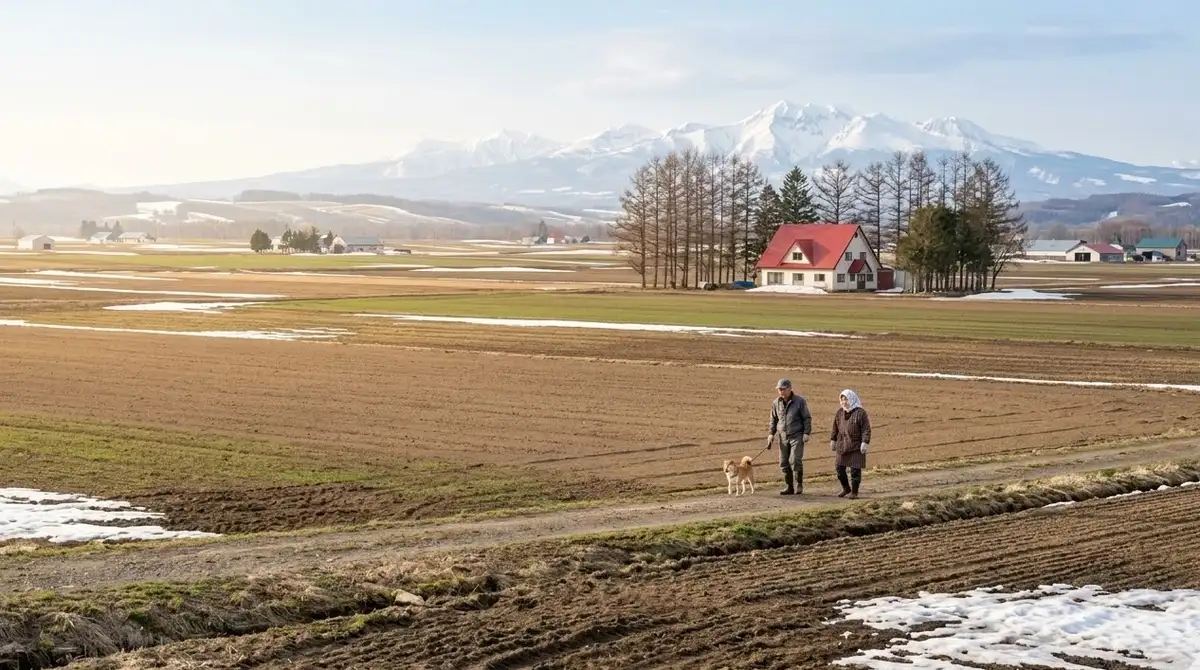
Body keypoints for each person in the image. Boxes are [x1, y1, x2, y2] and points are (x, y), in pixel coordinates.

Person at [766, 378, 811, 495]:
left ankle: (799, 484)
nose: (780, 391)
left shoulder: (800, 401)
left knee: (795, 460)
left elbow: (806, 418)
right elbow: (773, 419)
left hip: (797, 435)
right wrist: (771, 434)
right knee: (783, 462)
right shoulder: (776, 403)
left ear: (790, 389)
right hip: (782, 436)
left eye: (783, 389)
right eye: (779, 389)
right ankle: (789, 487)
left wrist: (806, 432)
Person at [830, 389, 871, 499]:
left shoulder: (860, 413)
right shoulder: (839, 413)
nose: (844, 402)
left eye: (846, 399)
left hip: (856, 446)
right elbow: (835, 427)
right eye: (842, 400)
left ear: (852, 399)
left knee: (855, 470)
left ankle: (854, 492)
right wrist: (833, 440)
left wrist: (865, 442)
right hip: (842, 444)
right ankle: (846, 488)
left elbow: (866, 429)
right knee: (839, 468)